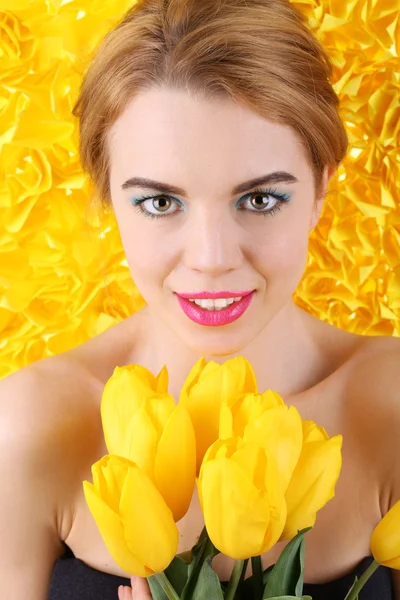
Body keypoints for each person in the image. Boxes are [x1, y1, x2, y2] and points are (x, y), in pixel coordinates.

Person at [0, 0, 398, 598]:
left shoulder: (390, 407)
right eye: (161, 202)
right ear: (110, 197)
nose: (212, 258)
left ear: (319, 187)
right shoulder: (33, 425)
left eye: (260, 200)